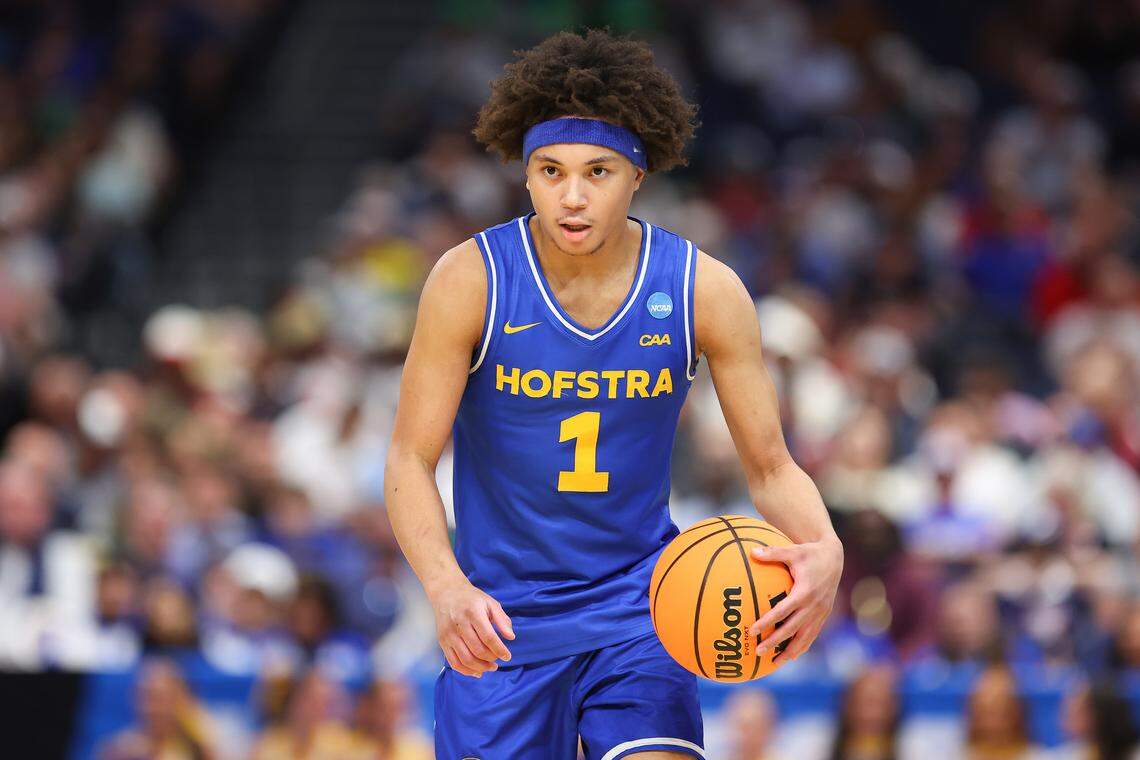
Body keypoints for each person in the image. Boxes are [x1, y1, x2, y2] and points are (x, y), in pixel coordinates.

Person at [384, 28, 843, 760]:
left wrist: (825, 548)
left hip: (642, 614)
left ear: (637, 175)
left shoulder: (704, 289)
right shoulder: (470, 280)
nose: (571, 196)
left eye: (597, 171)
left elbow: (771, 467)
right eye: (549, 170)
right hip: (501, 623)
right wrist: (444, 588)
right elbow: (409, 458)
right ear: (524, 174)